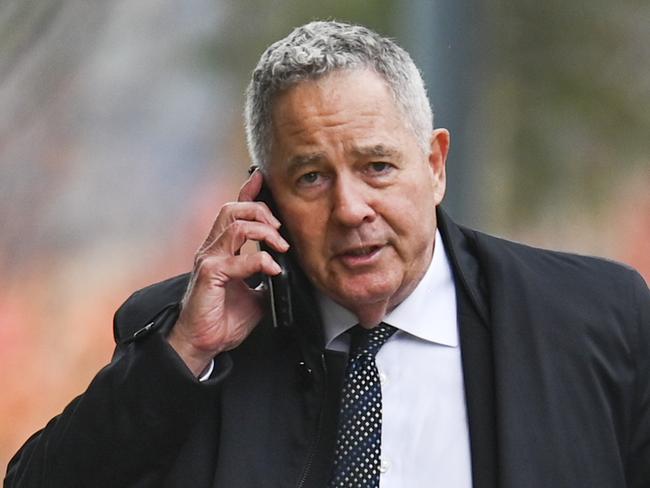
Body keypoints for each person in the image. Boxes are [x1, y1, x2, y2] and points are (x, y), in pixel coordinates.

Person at [5, 20, 649, 488]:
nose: (350, 209)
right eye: (311, 177)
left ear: (435, 165)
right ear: (264, 196)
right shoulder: (183, 339)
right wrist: (184, 354)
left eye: (377, 166)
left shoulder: (596, 318)